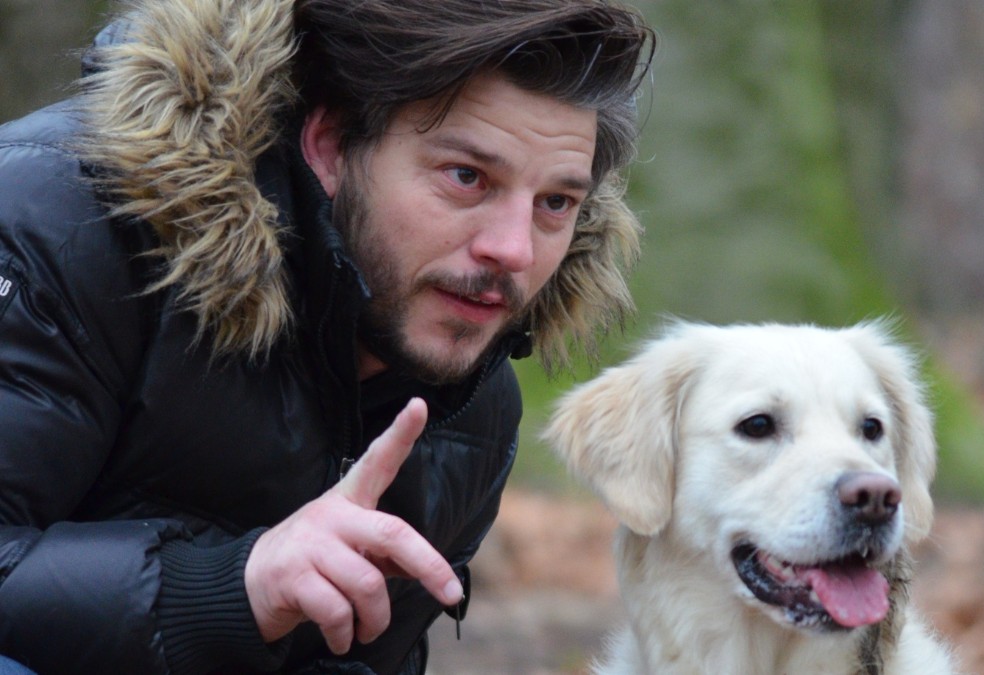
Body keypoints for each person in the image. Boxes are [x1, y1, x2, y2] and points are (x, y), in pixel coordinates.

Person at [0, 0, 654, 672]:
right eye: (467, 177)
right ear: (332, 143)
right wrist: (236, 586)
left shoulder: (472, 408)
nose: (514, 250)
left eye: (555, 203)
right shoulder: (55, 222)